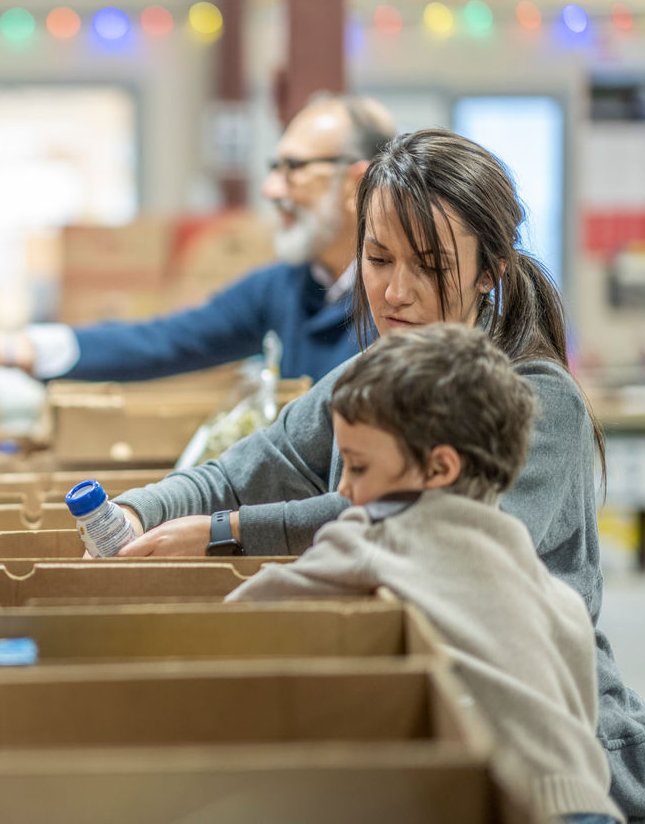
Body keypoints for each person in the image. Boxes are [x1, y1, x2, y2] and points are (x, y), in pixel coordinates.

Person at [110, 128, 645, 820]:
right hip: (425, 717)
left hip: (566, 760)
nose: (395, 291)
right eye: (377, 257)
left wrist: (226, 533)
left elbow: (422, 531)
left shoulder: (535, 402)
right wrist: (135, 512)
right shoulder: (364, 382)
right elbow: (241, 471)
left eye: (429, 265)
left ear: (491, 271)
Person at [227, 323, 624, 824]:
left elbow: (250, 612)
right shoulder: (542, 582)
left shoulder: (378, 531)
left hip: (505, 798)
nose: (344, 489)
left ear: (439, 468)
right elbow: (575, 702)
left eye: (357, 467)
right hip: (587, 802)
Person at [0, 93, 395, 382]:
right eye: (273, 169)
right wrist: (6, 348)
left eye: (293, 169)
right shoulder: (284, 287)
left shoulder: (402, 302)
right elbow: (164, 340)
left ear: (356, 184)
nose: (271, 190)